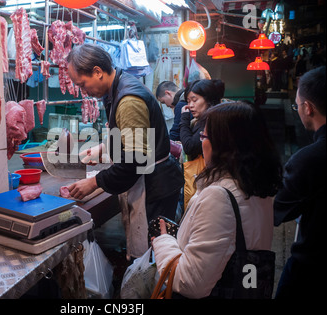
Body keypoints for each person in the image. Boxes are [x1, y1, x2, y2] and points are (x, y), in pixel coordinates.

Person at [152, 101, 283, 299]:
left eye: (204, 135)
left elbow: (190, 283)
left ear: (224, 145)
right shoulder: (257, 185)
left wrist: (163, 241)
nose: (201, 141)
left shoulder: (219, 196)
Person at [65, 44, 184, 258]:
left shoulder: (128, 99)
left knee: (154, 254)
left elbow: (134, 162)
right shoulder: (117, 86)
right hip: (152, 177)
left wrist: (94, 182)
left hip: (154, 184)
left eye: (82, 84)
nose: (84, 91)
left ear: (97, 72)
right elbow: (131, 133)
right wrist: (103, 148)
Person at [273, 66, 326, 299]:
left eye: (297, 105)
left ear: (308, 108)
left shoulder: (309, 160)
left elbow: (276, 211)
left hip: (312, 269)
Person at [179, 79, 225, 210]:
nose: (190, 105)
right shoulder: (202, 120)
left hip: (208, 180)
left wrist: (183, 117)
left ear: (208, 99)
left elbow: (189, 146)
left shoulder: (210, 121)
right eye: (188, 101)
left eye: (194, 100)